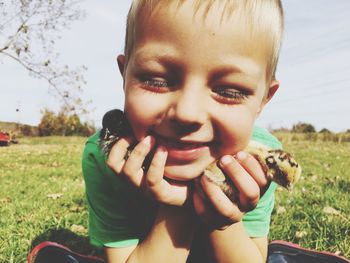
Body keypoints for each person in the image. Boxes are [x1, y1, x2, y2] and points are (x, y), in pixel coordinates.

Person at [26, 1, 350, 263]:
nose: (187, 113)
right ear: (124, 75)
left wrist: (222, 216)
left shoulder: (260, 161)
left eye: (230, 90)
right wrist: (177, 208)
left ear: (263, 99)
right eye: (157, 79)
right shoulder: (104, 157)